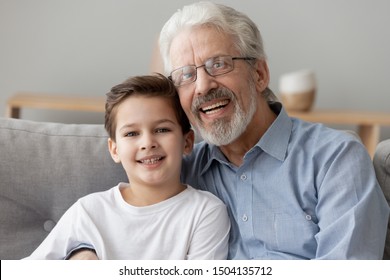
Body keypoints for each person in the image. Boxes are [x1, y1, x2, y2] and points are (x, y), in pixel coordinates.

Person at [71, 1, 389, 260]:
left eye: (219, 64)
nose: (203, 86)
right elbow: (121, 219)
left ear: (260, 74)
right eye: (185, 75)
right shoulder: (179, 168)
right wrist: (85, 249)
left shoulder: (334, 159)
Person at [24, 74, 230, 260]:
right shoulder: (89, 211)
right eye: (132, 133)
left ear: (187, 142)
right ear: (114, 150)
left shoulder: (205, 213)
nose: (147, 143)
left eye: (162, 129)